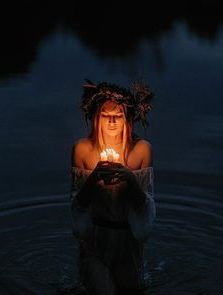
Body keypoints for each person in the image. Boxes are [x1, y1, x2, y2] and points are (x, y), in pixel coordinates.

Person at [70, 79, 156, 295]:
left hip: (128, 241)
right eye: (105, 116)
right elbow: (78, 203)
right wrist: (94, 177)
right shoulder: (82, 150)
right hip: (95, 240)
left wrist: (129, 177)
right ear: (96, 118)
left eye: (117, 116)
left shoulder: (141, 151)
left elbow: (143, 205)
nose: (111, 122)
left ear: (128, 120)